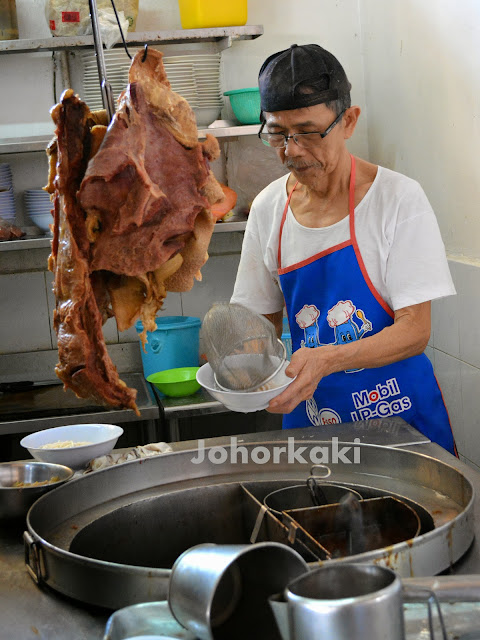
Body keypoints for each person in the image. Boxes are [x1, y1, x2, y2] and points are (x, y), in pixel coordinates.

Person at [230, 43, 457, 454]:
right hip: (313, 430)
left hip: (402, 425)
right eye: (278, 134)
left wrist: (326, 359)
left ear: (348, 121)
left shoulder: (397, 199)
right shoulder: (268, 209)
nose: (292, 150)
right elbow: (256, 331)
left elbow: (415, 331)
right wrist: (237, 363)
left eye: (308, 131)